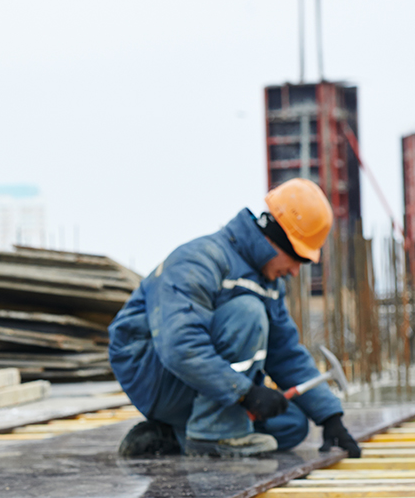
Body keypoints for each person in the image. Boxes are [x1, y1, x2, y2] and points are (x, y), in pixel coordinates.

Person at [108, 177, 361, 459]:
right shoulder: (199, 261)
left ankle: (172, 435)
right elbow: (180, 347)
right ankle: (214, 435)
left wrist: (329, 416)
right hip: (156, 376)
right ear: (276, 239)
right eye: (298, 258)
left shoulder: (266, 282)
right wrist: (245, 393)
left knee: (292, 424)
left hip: (202, 382)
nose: (294, 272)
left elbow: (285, 353)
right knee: (248, 313)